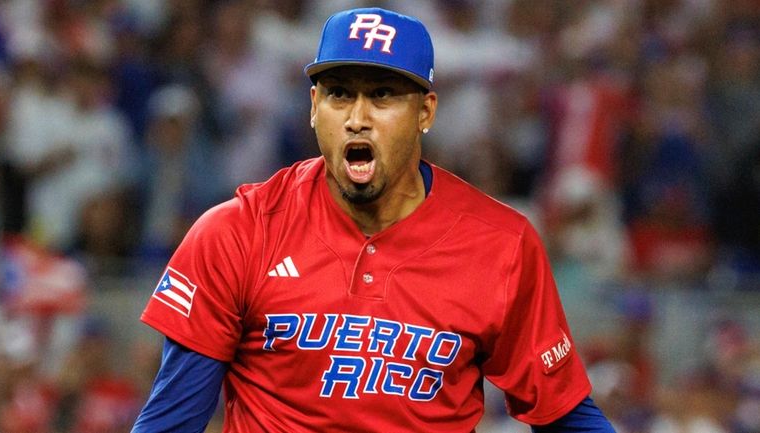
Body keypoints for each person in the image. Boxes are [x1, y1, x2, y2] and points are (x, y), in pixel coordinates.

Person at [132, 7, 616, 433]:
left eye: (382, 95)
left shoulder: (501, 245)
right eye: (340, 94)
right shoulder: (237, 232)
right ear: (314, 106)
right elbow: (171, 421)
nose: (357, 118)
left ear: (425, 111)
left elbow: (564, 416)